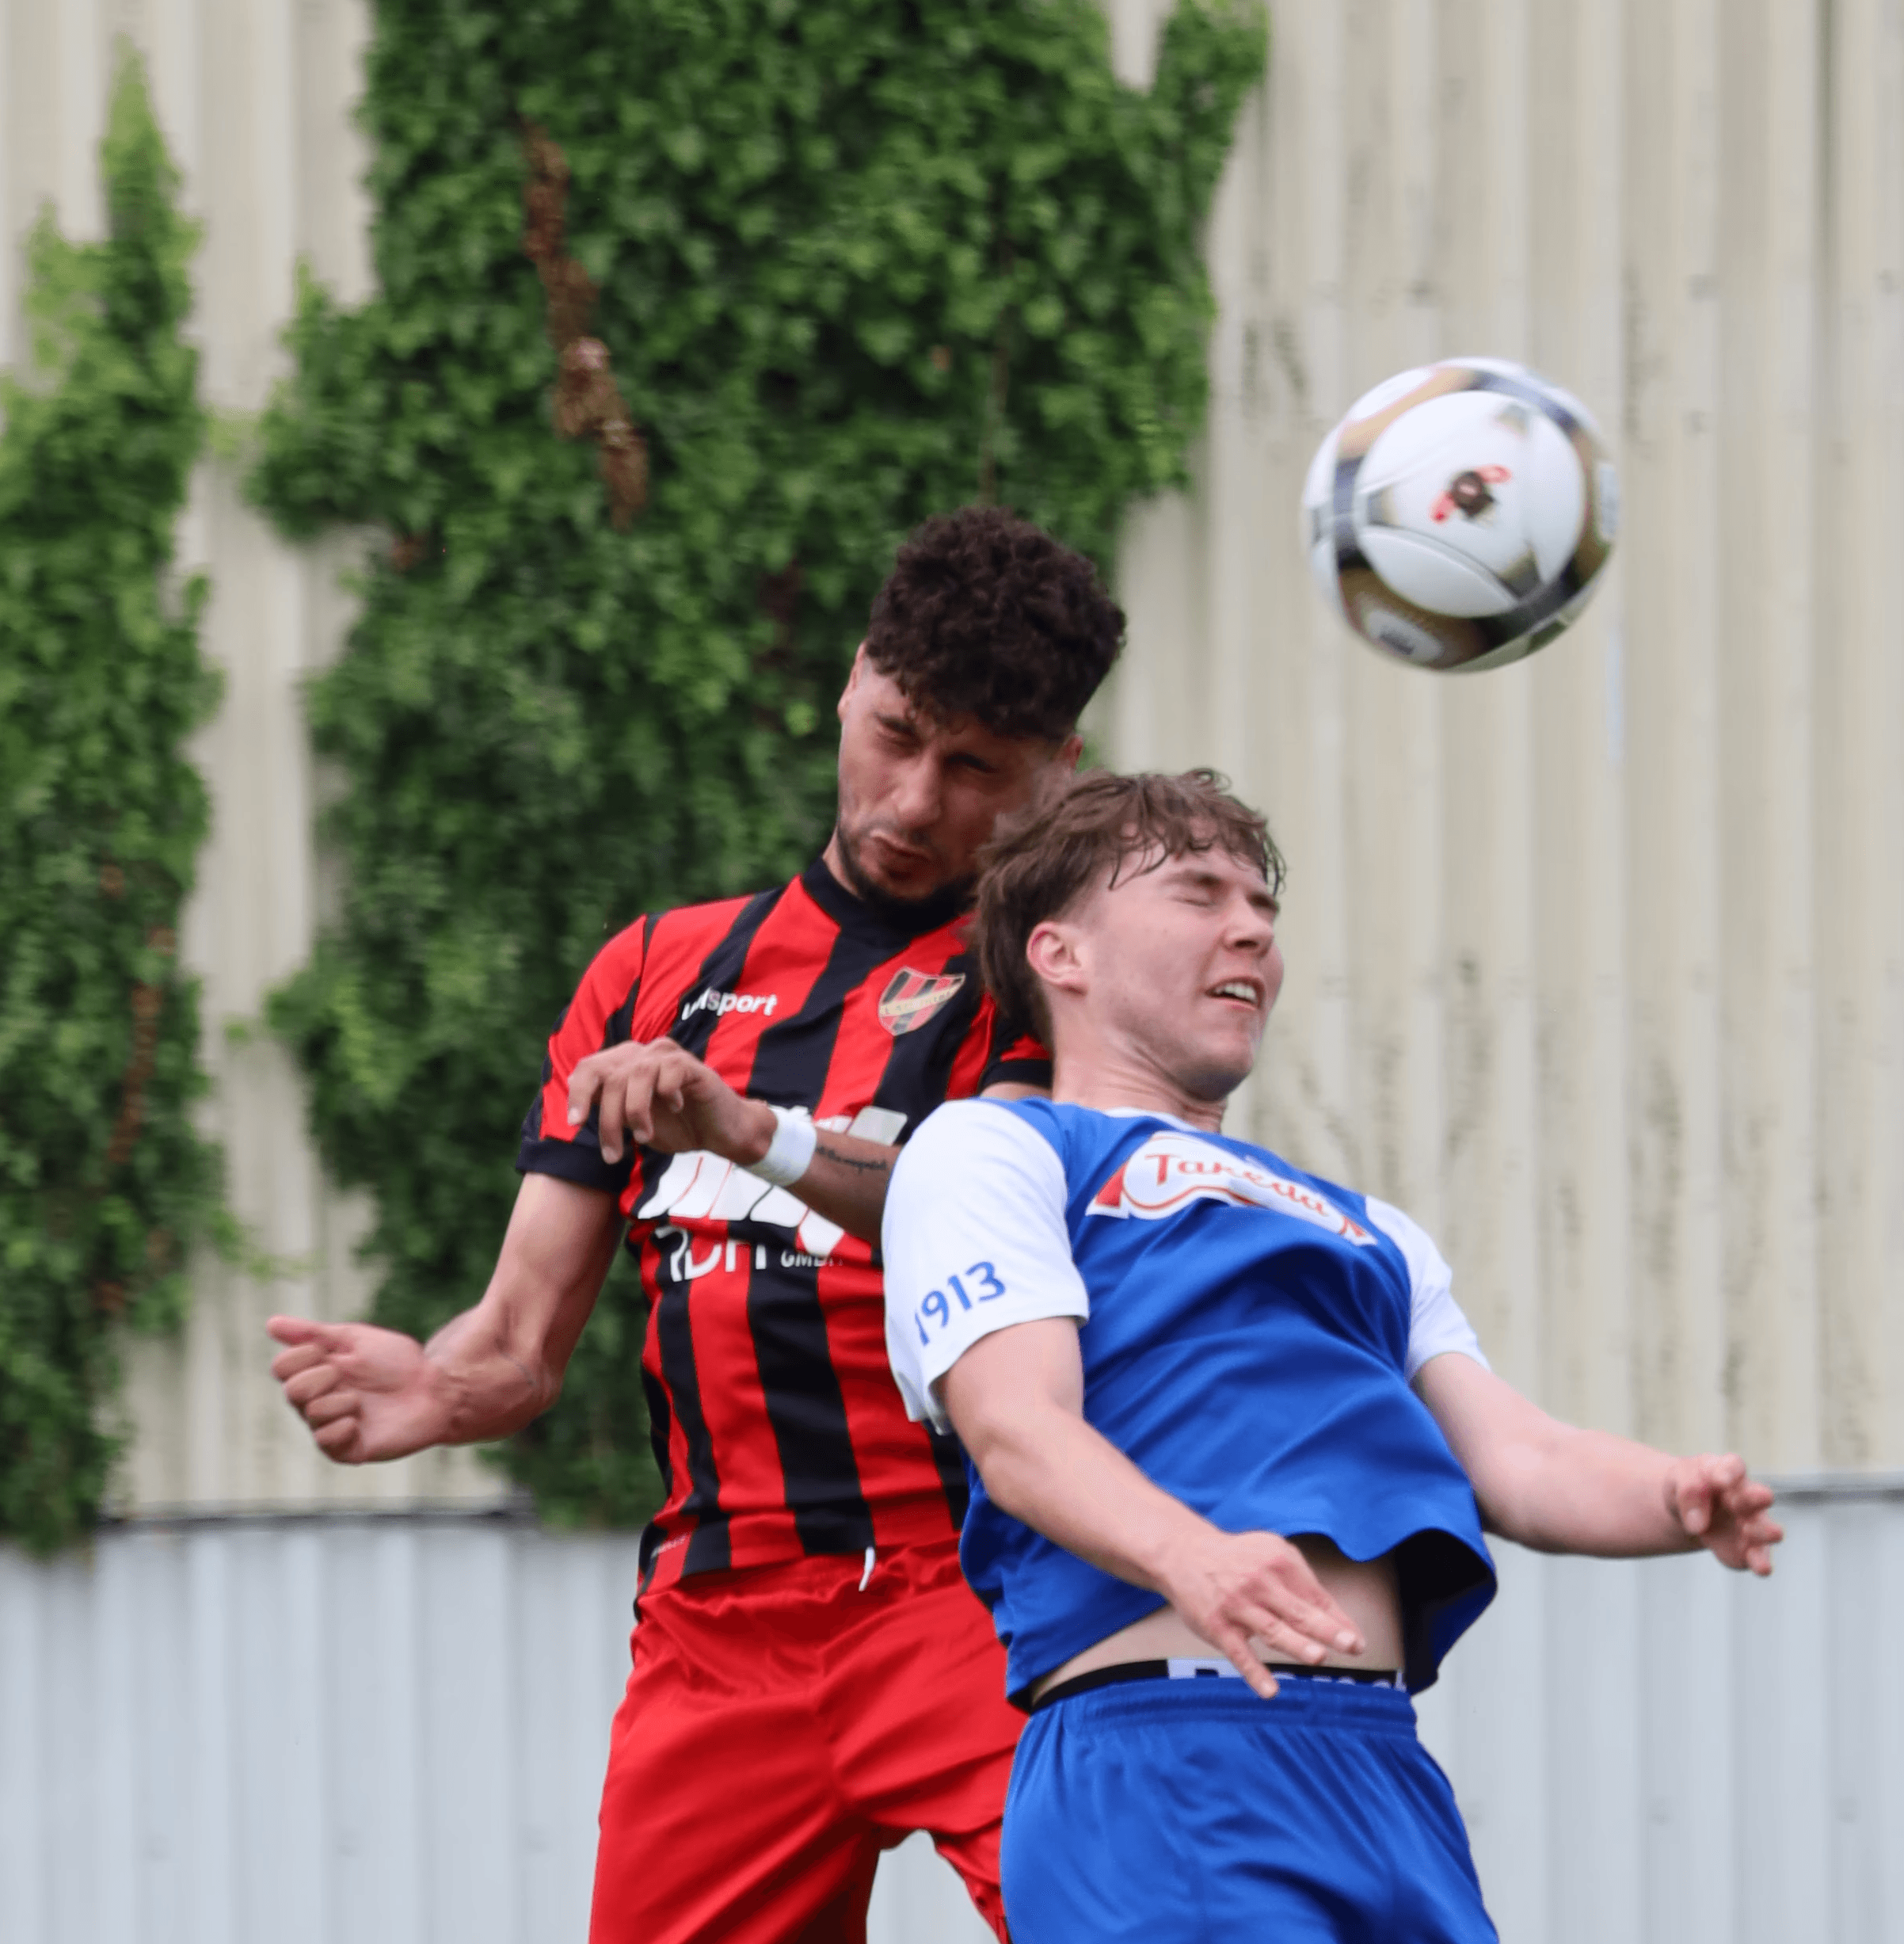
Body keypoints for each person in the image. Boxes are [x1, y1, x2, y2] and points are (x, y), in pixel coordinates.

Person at [266, 505, 1126, 1944]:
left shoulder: (1047, 983)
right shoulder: (655, 970)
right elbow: (519, 1343)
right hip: (720, 1626)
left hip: (972, 1593)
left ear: (1058, 773)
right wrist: (442, 1382)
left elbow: (966, 1204)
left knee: (1140, 1921)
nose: (915, 800)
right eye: (898, 734)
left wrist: (747, 1130)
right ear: (852, 684)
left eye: (975, 767)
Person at [880, 768, 1784, 1944]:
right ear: (1061, 953)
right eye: (1199, 893)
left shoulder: (1369, 1227)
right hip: (1167, 1766)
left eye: (1263, 904)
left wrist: (1667, 1494)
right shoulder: (996, 1147)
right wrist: (1189, 1555)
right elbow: (1016, 1430)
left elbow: (1516, 1458)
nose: (1252, 928)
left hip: (1383, 1773)